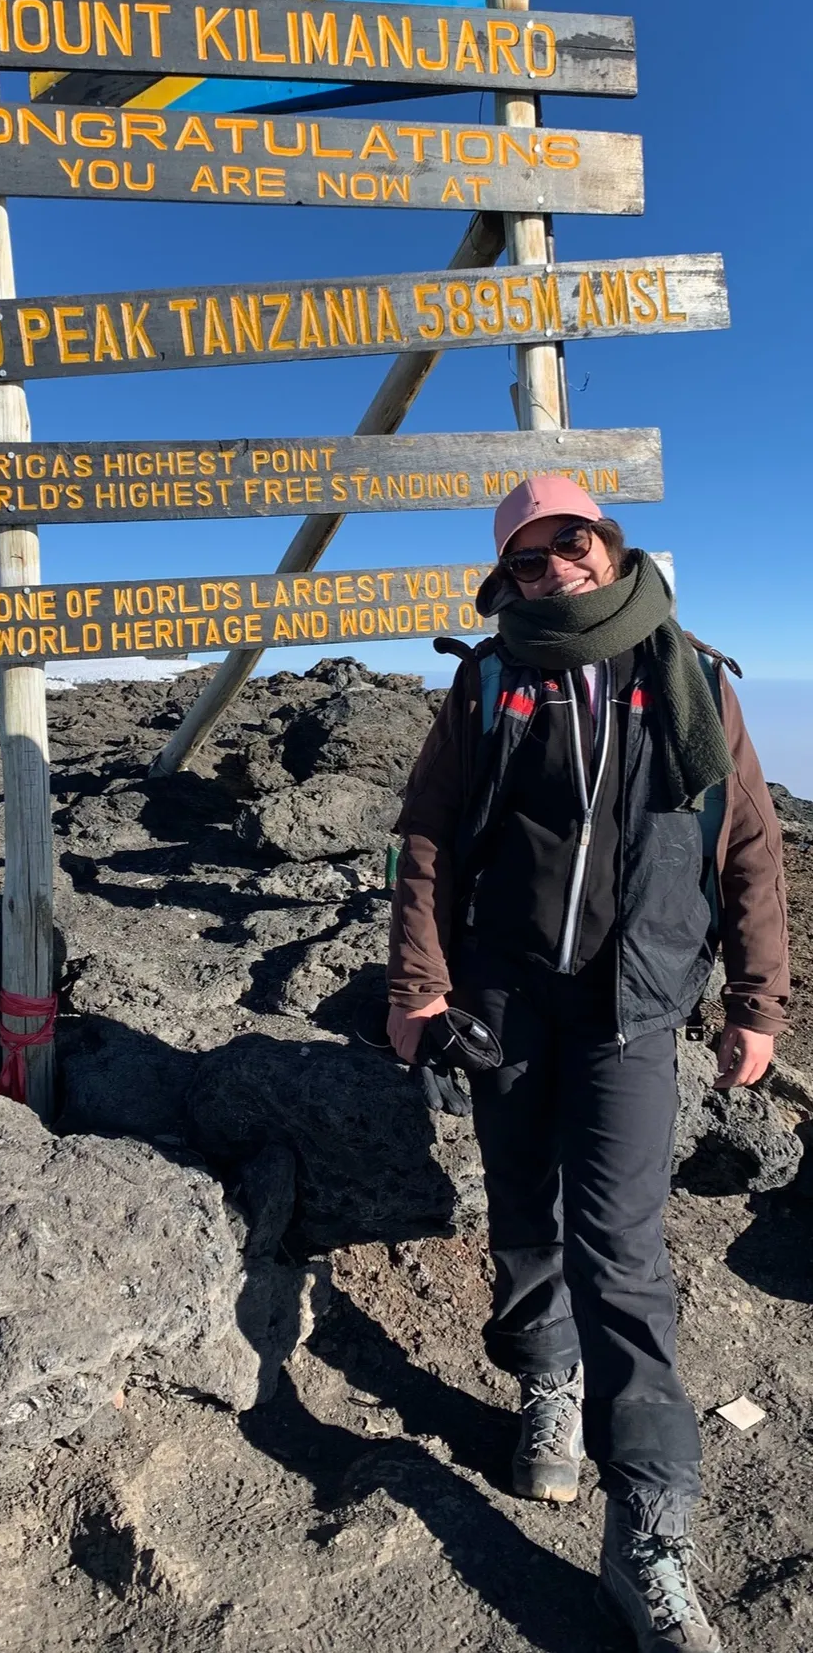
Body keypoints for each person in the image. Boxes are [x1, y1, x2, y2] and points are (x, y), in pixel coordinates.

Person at [387, 475, 789, 1653]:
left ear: (609, 550)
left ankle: (648, 1530)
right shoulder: (487, 679)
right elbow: (426, 831)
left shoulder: (689, 678)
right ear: (503, 578)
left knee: (618, 1245)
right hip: (505, 993)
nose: (553, 564)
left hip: (635, 1006)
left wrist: (756, 1004)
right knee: (521, 1206)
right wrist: (419, 977)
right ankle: (544, 1382)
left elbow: (749, 846)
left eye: (572, 541)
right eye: (527, 555)